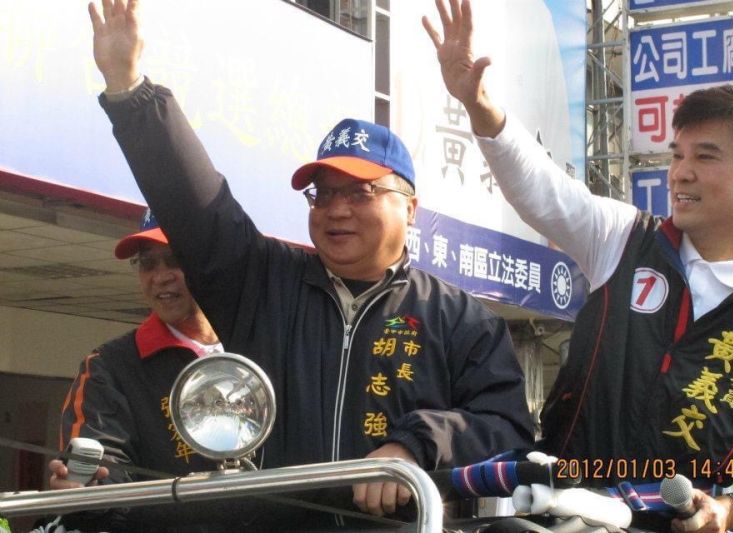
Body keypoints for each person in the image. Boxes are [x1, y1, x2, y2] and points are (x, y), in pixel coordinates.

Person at [87, 0, 536, 523]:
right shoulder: (262, 284)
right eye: (323, 194)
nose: (336, 210)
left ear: (409, 207)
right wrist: (129, 89)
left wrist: (413, 446)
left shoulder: (460, 320)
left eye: (361, 192)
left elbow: (507, 428)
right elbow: (194, 204)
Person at [423, 0, 733, 531]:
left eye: (705, 156)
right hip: (563, 514)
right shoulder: (625, 238)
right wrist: (477, 103)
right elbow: (543, 191)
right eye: (676, 155)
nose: (680, 173)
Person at [47, 209, 225, 529]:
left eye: (174, 259)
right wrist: (90, 483)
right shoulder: (107, 367)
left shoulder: (262, 344)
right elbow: (105, 465)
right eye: (147, 263)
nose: (160, 276)